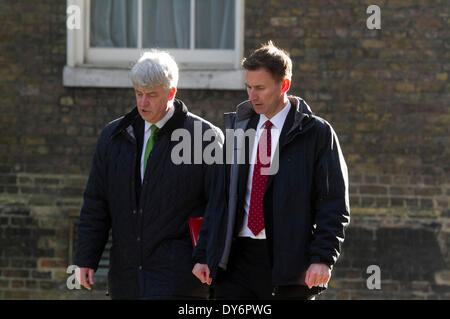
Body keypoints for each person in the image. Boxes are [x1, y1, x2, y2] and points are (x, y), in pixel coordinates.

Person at [192, 41, 350, 300]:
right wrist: (203, 255)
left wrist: (323, 258)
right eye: (248, 87)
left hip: (288, 264)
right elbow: (219, 201)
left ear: (284, 85)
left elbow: (333, 204)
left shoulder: (317, 134)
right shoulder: (238, 130)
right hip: (234, 262)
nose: (252, 96)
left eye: (260, 88)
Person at [74, 49, 223, 299]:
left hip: (180, 277)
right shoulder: (114, 137)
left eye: (152, 95)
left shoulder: (204, 139)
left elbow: (219, 207)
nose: (143, 103)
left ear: (171, 92)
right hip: (127, 277)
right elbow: (96, 202)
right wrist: (86, 258)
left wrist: (206, 256)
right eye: (139, 94)